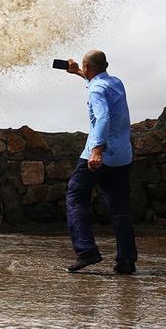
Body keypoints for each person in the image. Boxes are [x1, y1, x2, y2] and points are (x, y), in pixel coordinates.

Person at [64, 50, 138, 274]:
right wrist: (77, 72)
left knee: (75, 196)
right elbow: (97, 82)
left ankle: (87, 251)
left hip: (99, 155)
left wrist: (97, 150)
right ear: (106, 64)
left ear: (88, 68)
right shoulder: (115, 82)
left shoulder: (96, 89)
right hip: (122, 156)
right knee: (120, 209)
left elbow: (103, 116)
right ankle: (126, 261)